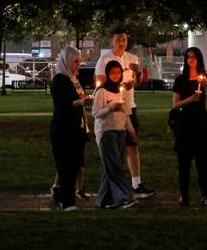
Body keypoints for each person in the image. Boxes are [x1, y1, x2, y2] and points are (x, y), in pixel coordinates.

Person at [95, 28, 155, 199]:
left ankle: (136, 183)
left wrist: (136, 76)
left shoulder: (132, 58)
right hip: (112, 107)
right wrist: (118, 84)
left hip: (129, 106)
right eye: (118, 40)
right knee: (116, 147)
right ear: (111, 41)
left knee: (132, 144)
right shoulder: (104, 59)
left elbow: (137, 83)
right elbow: (100, 83)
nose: (121, 43)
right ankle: (114, 185)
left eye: (124, 40)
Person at [171, 46, 207, 207]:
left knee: (203, 162)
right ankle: (184, 195)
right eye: (188, 57)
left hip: (202, 123)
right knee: (184, 162)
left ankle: (205, 195)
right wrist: (190, 99)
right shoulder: (180, 80)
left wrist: (205, 87)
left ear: (199, 59)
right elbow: (175, 104)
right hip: (185, 124)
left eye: (194, 57)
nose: (191, 59)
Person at [92, 59, 138, 209]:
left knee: (111, 167)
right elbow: (96, 113)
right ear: (107, 74)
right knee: (115, 167)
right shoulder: (102, 91)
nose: (116, 75)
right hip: (106, 131)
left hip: (121, 131)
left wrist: (131, 131)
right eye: (112, 73)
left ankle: (104, 199)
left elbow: (126, 112)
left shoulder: (121, 90)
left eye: (118, 72)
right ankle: (125, 197)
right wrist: (110, 108)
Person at [49, 46, 90, 211]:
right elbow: (60, 106)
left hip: (76, 128)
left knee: (74, 165)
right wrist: (80, 102)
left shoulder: (73, 79)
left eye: (79, 61)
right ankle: (66, 202)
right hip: (63, 129)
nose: (78, 65)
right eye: (75, 61)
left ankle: (62, 195)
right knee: (66, 166)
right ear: (66, 61)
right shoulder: (60, 79)